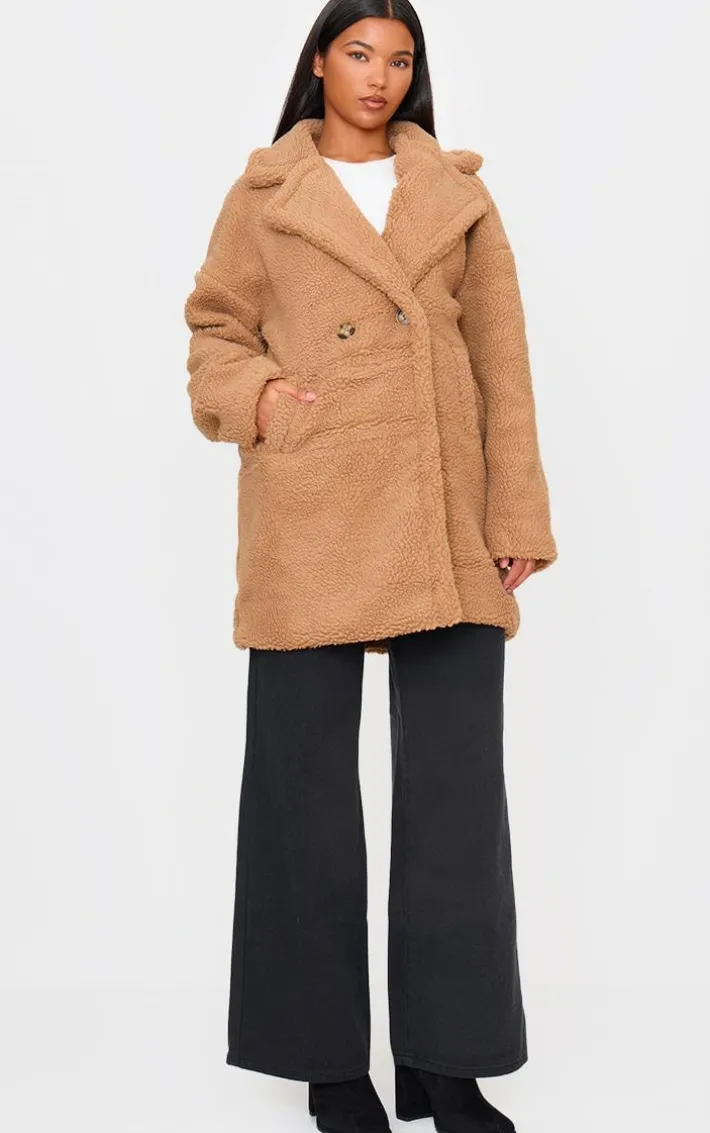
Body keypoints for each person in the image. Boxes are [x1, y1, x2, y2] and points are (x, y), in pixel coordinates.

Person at [183, 2, 558, 1131]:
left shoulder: (456, 193)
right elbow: (213, 330)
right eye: (358, 53)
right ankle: (327, 1068)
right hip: (314, 506)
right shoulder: (265, 194)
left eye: (399, 59)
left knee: (455, 802)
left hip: (444, 511)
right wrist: (264, 401)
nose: (379, 76)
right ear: (319, 61)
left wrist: (516, 510)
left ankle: (448, 1064)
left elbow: (501, 358)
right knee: (301, 799)